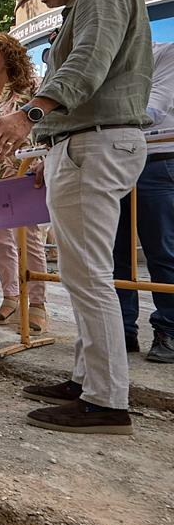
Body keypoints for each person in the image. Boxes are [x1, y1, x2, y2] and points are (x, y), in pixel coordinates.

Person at [0, 0, 153, 435]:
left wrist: (32, 114)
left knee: (87, 275)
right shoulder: (85, 5)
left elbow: (86, 66)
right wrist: (50, 146)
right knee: (84, 273)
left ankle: (105, 401)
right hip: (81, 144)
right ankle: (87, 381)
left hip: (95, 145)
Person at [0, 31, 48, 330]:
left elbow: (48, 125)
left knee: (29, 239)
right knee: (0, 241)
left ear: (8, 54)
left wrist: (44, 157)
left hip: (24, 170)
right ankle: (10, 297)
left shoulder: (31, 88)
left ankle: (38, 305)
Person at [114, 42, 174, 363]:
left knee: (162, 251)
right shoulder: (109, 61)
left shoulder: (166, 53)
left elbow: (152, 109)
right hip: (116, 160)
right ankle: (122, 328)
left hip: (158, 159)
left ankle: (169, 329)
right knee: (116, 251)